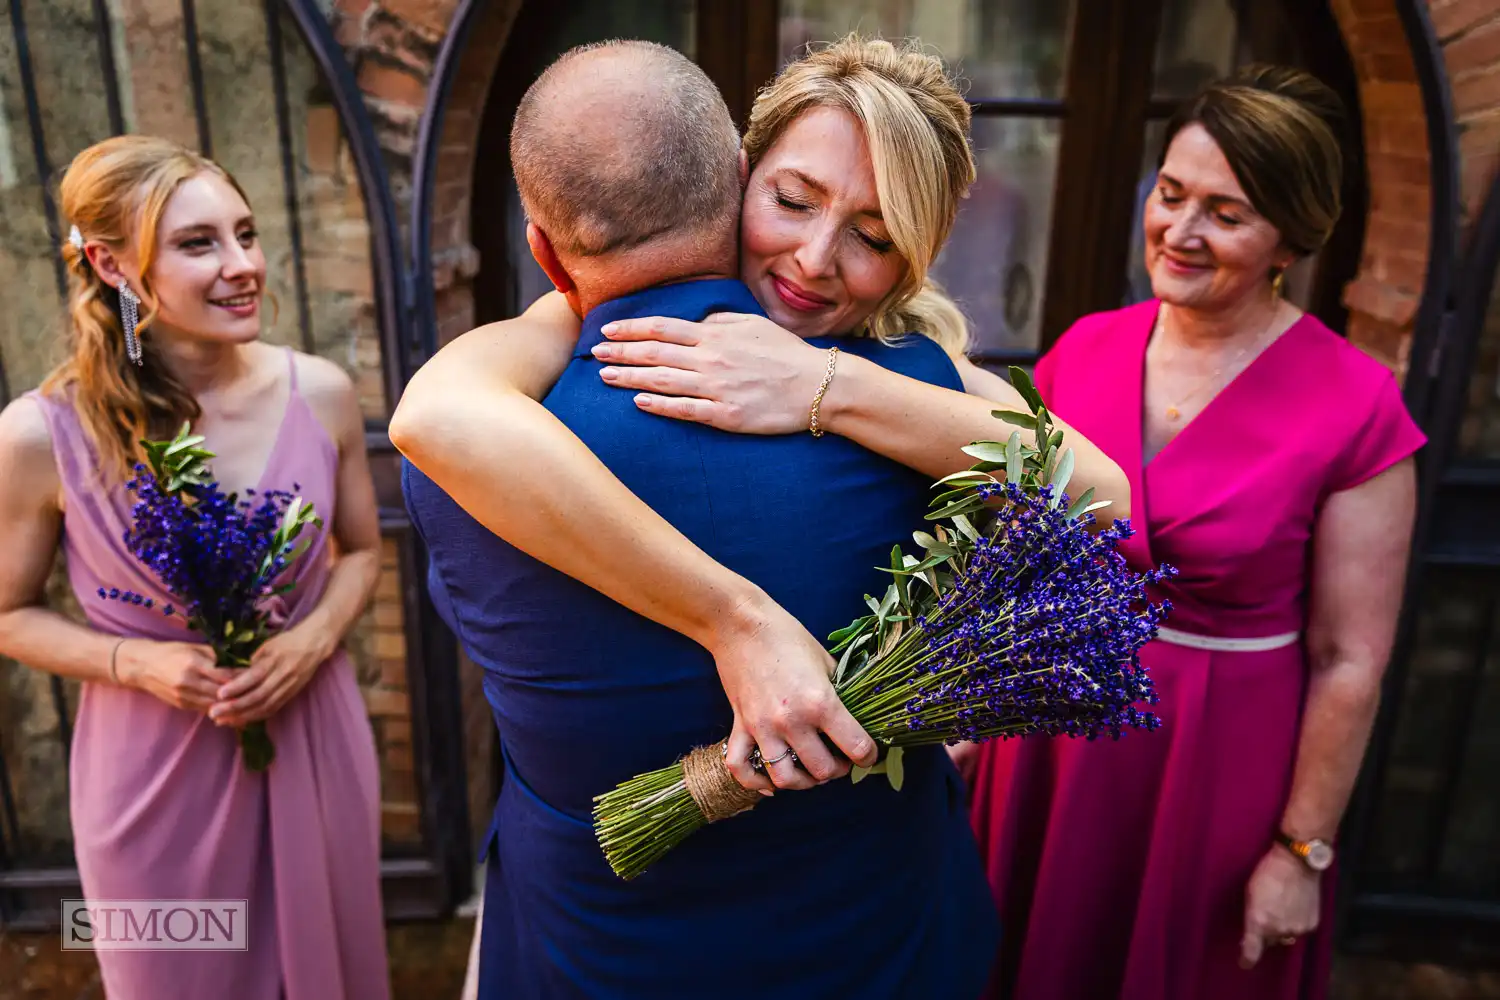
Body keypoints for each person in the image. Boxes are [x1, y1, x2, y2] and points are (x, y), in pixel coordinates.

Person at [396, 37, 1046, 999]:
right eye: (793, 201)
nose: (816, 259)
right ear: (737, 175)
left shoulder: (472, 453)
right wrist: (734, 619)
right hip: (875, 947)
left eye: (874, 234)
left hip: (595, 950)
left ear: (540, 251)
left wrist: (828, 385)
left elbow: (1097, 494)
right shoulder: (928, 399)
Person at [964, 66, 1426, 1000]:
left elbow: (1349, 659)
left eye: (1225, 212)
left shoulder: (1359, 406)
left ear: (1288, 238)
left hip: (1213, 777)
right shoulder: (1084, 347)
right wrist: (969, 708)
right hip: (1044, 750)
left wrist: (1301, 851)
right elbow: (1011, 552)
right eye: (1171, 194)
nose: (1178, 231)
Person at [0, 136, 389, 999]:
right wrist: (137, 660)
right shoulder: (39, 436)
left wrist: (314, 637)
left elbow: (363, 553)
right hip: (151, 772)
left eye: (244, 234)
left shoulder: (319, 392)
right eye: (198, 243)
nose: (242, 265)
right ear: (112, 266)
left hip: (310, 740)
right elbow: (7, 614)